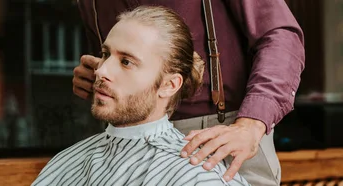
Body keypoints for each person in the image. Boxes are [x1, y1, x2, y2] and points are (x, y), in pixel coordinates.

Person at [72, 1, 305, 185]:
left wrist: (252, 124)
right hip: (128, 141)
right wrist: (101, 74)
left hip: (222, 135)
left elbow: (280, 36)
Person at [32, 6, 250, 186]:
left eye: (126, 62)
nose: (101, 70)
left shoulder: (198, 177)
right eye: (105, 55)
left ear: (169, 85)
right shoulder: (66, 162)